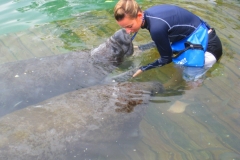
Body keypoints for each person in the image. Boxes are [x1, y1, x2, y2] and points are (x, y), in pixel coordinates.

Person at [113, 0, 222, 83]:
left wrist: (142, 69)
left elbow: (166, 59)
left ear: (139, 15)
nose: (128, 31)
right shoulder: (150, 15)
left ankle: (184, 102)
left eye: (129, 26)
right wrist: (142, 48)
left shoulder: (156, 28)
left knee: (187, 79)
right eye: (124, 28)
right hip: (201, 35)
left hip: (208, 49)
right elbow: (164, 39)